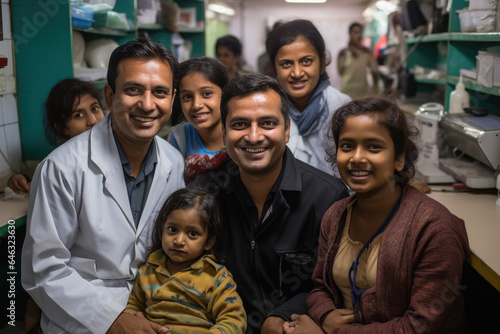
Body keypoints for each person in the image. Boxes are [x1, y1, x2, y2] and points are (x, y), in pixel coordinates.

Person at [21, 37, 185, 334]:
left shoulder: (174, 161)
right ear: (110, 97)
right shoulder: (62, 168)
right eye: (133, 89)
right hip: (82, 319)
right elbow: (43, 270)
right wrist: (112, 319)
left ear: (172, 100)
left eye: (159, 92)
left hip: (155, 309)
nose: (147, 105)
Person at [282, 97, 469, 333]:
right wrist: (325, 314)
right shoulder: (336, 215)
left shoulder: (433, 228)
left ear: (399, 159)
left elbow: (422, 326)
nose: (357, 158)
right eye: (347, 146)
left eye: (373, 147)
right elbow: (320, 286)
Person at [192, 74, 349, 333]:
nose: (254, 137)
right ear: (224, 132)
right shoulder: (204, 192)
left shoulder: (327, 198)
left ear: (286, 130)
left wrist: (281, 315)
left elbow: (332, 285)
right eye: (240, 124)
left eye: (267, 123)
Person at [125, 187, 247, 333]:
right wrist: (139, 320)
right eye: (172, 230)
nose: (179, 240)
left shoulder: (217, 278)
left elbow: (234, 318)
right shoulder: (148, 271)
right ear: (161, 230)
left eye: (192, 233)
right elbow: (133, 307)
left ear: (209, 241)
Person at [265, 19, 351, 177]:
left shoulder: (341, 107)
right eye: (286, 64)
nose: (297, 73)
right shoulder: (267, 109)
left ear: (322, 63)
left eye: (306, 61)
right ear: (274, 68)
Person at [7, 78, 105, 194]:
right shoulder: (57, 168)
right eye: (78, 115)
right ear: (61, 128)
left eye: (94, 109)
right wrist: (23, 181)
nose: (93, 121)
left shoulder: (119, 153)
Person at [337, 22, 379, 99]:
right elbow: (340, 71)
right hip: (347, 92)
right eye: (355, 32)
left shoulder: (366, 52)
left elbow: (374, 71)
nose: (358, 35)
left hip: (363, 92)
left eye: (360, 32)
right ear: (350, 33)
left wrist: (376, 88)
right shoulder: (343, 53)